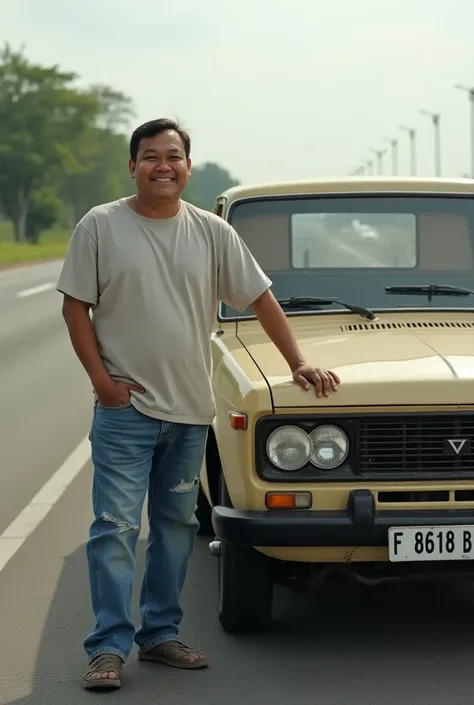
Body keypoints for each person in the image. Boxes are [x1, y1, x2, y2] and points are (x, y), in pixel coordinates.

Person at [56, 117, 340, 691]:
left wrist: (297, 363)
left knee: (175, 527)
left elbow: (260, 298)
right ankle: (107, 647)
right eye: (151, 156)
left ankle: (160, 635)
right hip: (125, 411)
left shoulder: (211, 232)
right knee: (112, 529)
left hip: (189, 412)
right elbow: (74, 308)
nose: (164, 165)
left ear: (188, 166)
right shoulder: (101, 226)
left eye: (174, 156)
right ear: (132, 165)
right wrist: (102, 383)